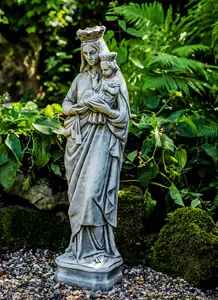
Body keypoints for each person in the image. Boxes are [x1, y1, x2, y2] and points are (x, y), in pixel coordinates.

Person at [62, 26, 130, 266]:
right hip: (78, 142)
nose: (89, 58)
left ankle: (99, 251)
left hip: (103, 138)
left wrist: (105, 110)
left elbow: (124, 116)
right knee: (78, 197)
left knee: (93, 194)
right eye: (85, 54)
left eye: (93, 53)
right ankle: (79, 248)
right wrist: (71, 109)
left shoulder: (112, 76)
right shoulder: (80, 78)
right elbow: (67, 101)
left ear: (101, 52)